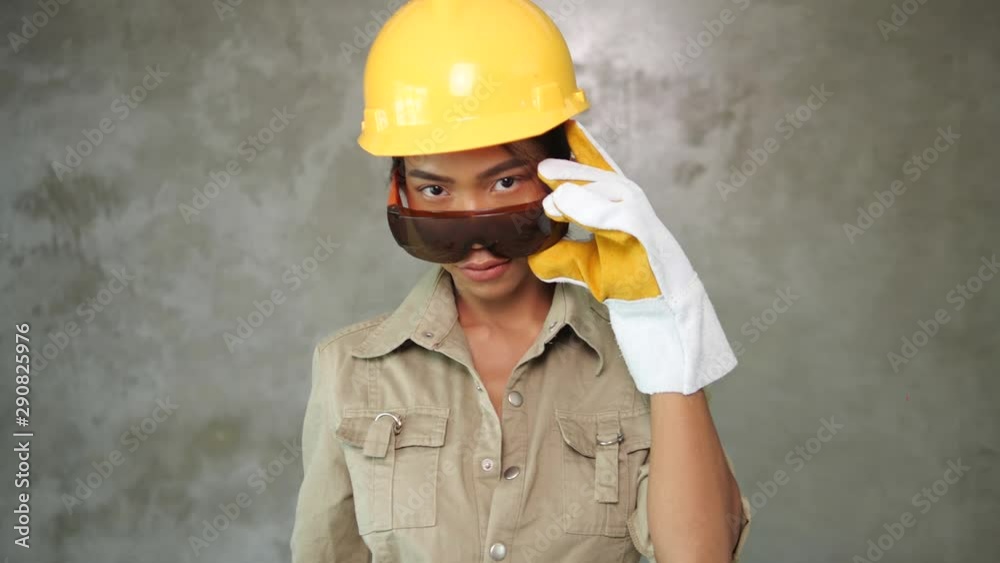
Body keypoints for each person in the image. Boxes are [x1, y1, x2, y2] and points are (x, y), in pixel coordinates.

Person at [291, 0, 752, 561]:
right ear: (400, 191)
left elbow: (701, 556)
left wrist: (662, 330)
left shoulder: (639, 359)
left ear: (567, 172)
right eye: (435, 190)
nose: (476, 238)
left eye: (505, 182)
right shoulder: (348, 369)